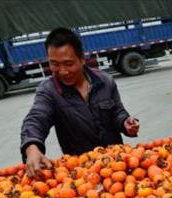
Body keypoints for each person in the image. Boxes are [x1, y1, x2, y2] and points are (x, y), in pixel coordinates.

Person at [20, 28, 139, 179]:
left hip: (117, 167)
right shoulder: (49, 91)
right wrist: (31, 147)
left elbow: (117, 111)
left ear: (82, 59)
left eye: (68, 64)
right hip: (82, 174)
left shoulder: (105, 81)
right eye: (54, 64)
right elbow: (36, 118)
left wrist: (125, 123)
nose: (62, 71)